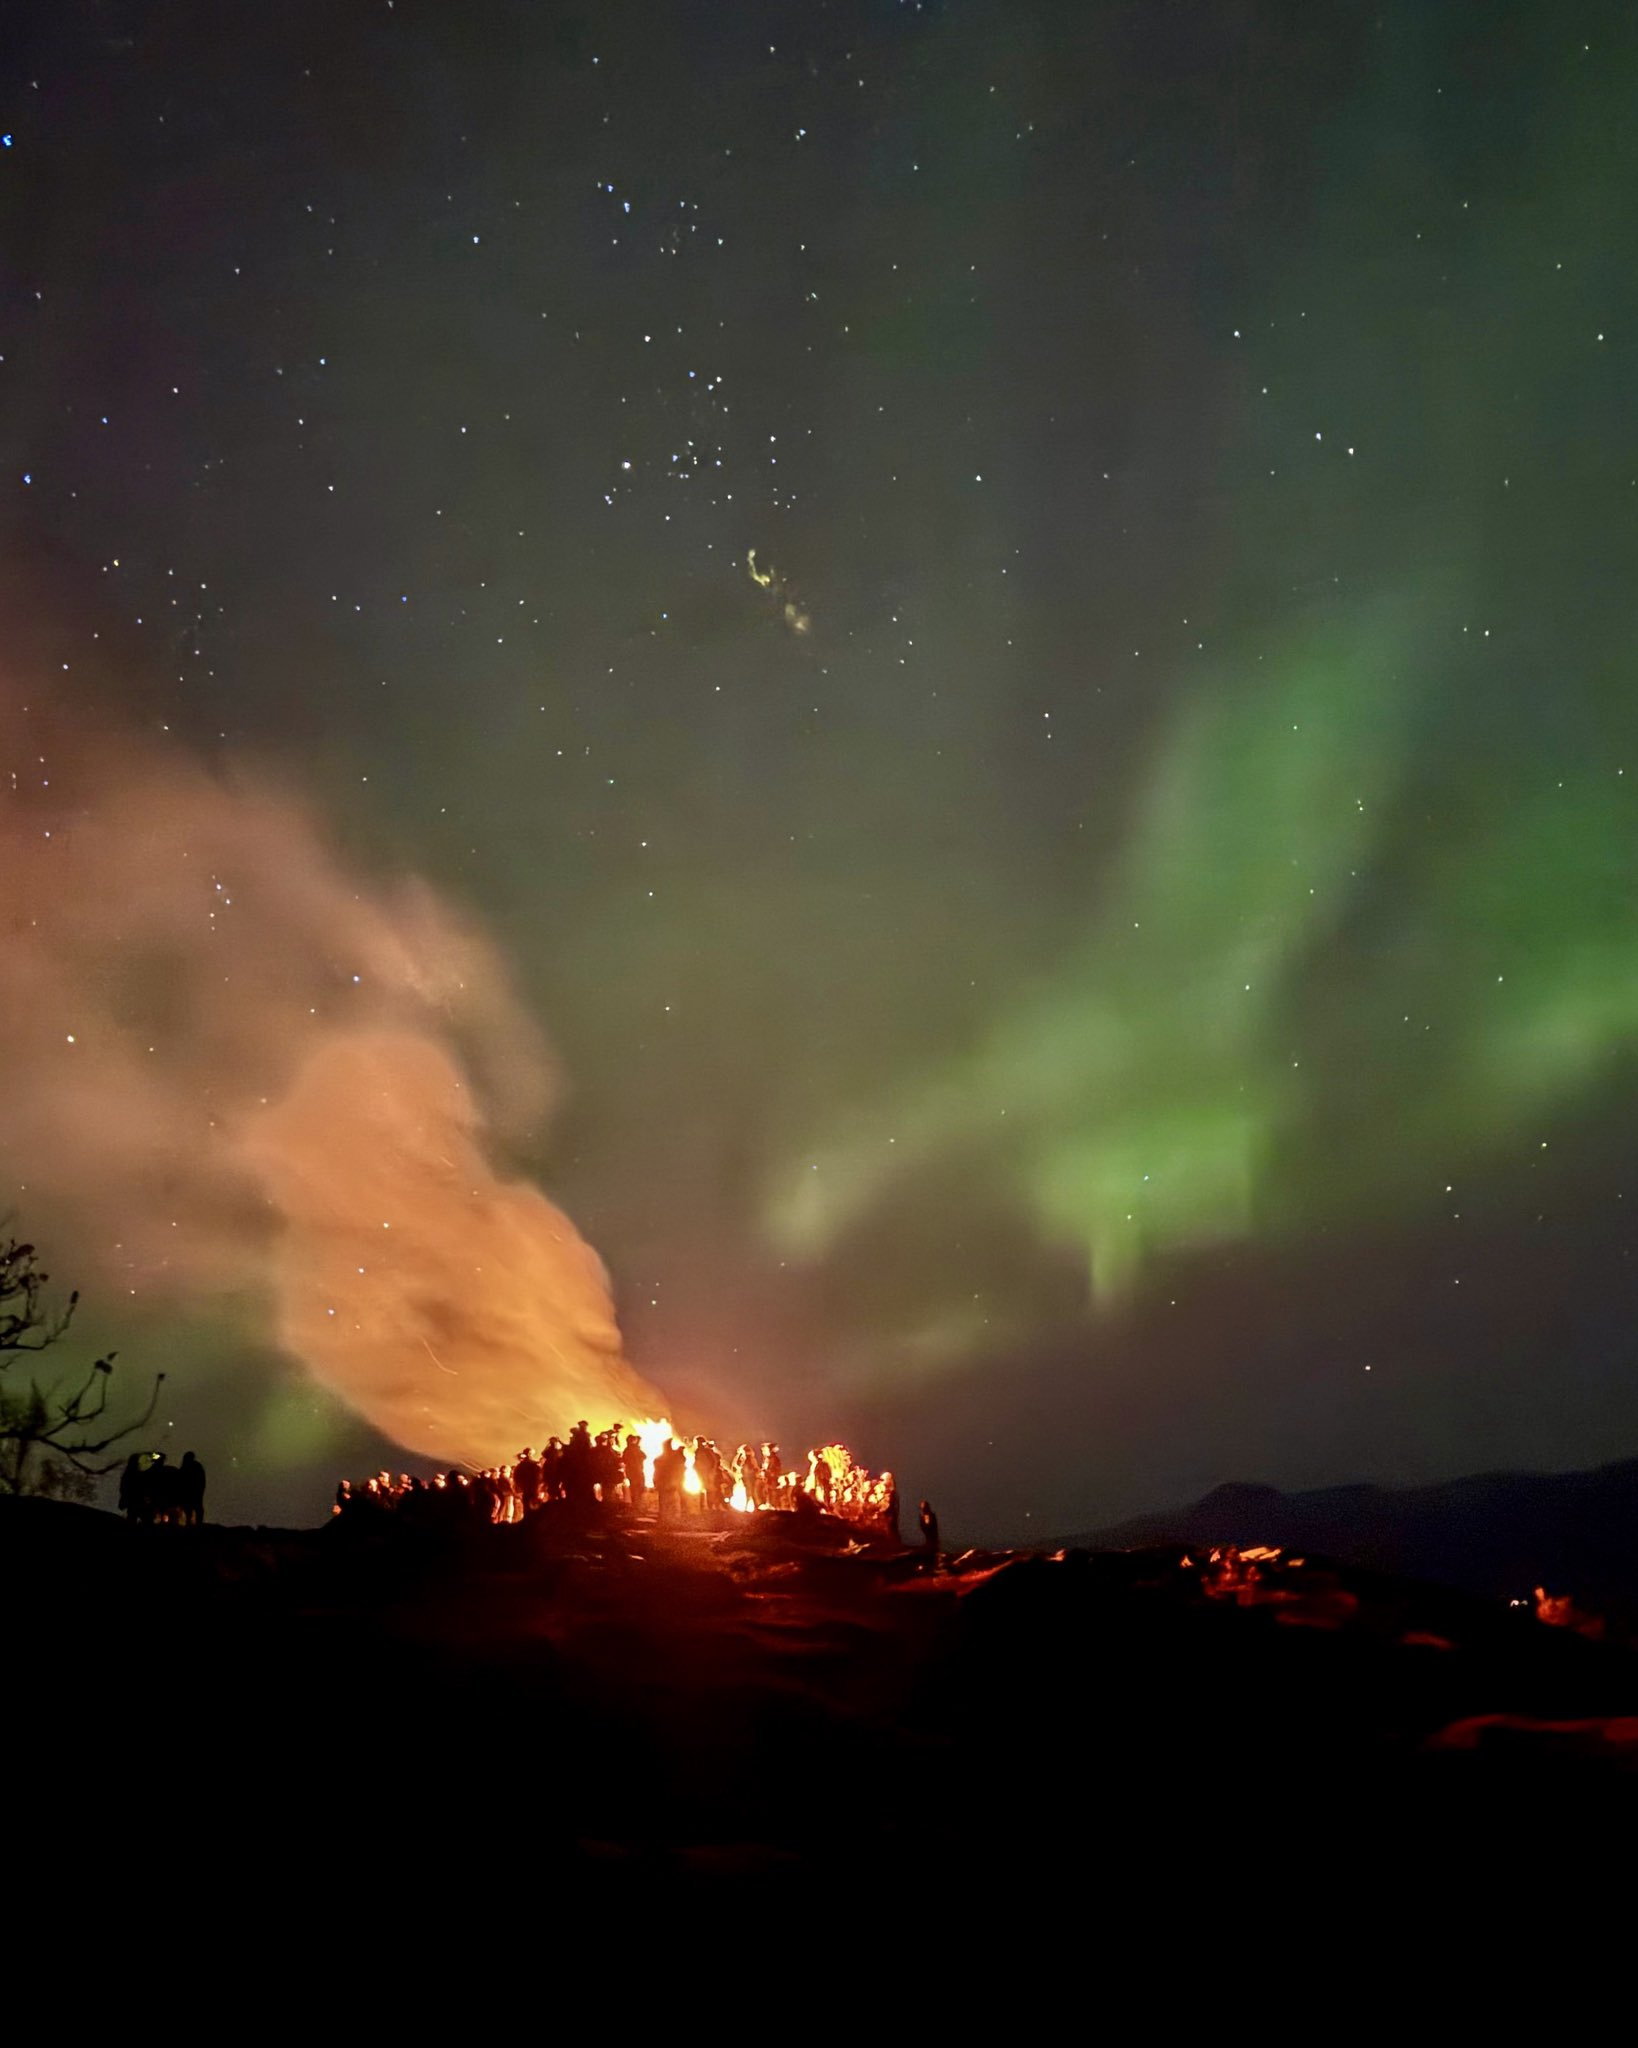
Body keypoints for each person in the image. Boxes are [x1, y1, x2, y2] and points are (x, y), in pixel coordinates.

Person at [177, 1450, 206, 1527]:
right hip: (194, 1492)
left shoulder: (185, 1468)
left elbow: (180, 1481)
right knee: (195, 1508)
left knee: (190, 1508)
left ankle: (192, 1524)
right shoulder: (197, 1466)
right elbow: (202, 1480)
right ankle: (197, 1524)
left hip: (190, 1492)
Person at [622, 1432, 647, 1509]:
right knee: (638, 1489)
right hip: (637, 1472)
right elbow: (644, 1456)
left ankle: (636, 1505)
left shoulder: (627, 1450)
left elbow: (624, 1460)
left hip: (632, 1472)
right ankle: (637, 1506)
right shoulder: (634, 1449)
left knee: (634, 1488)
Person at [118, 1452, 144, 1523]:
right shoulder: (134, 1473)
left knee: (132, 1515)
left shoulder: (128, 1472)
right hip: (134, 1499)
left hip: (132, 1499)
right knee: (133, 1515)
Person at [882, 1472, 902, 1545]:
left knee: (891, 1530)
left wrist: (884, 1512)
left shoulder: (892, 1493)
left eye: (883, 1480)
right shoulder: (889, 1493)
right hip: (891, 1516)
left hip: (891, 1516)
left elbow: (892, 1506)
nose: (882, 1482)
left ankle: (894, 1544)